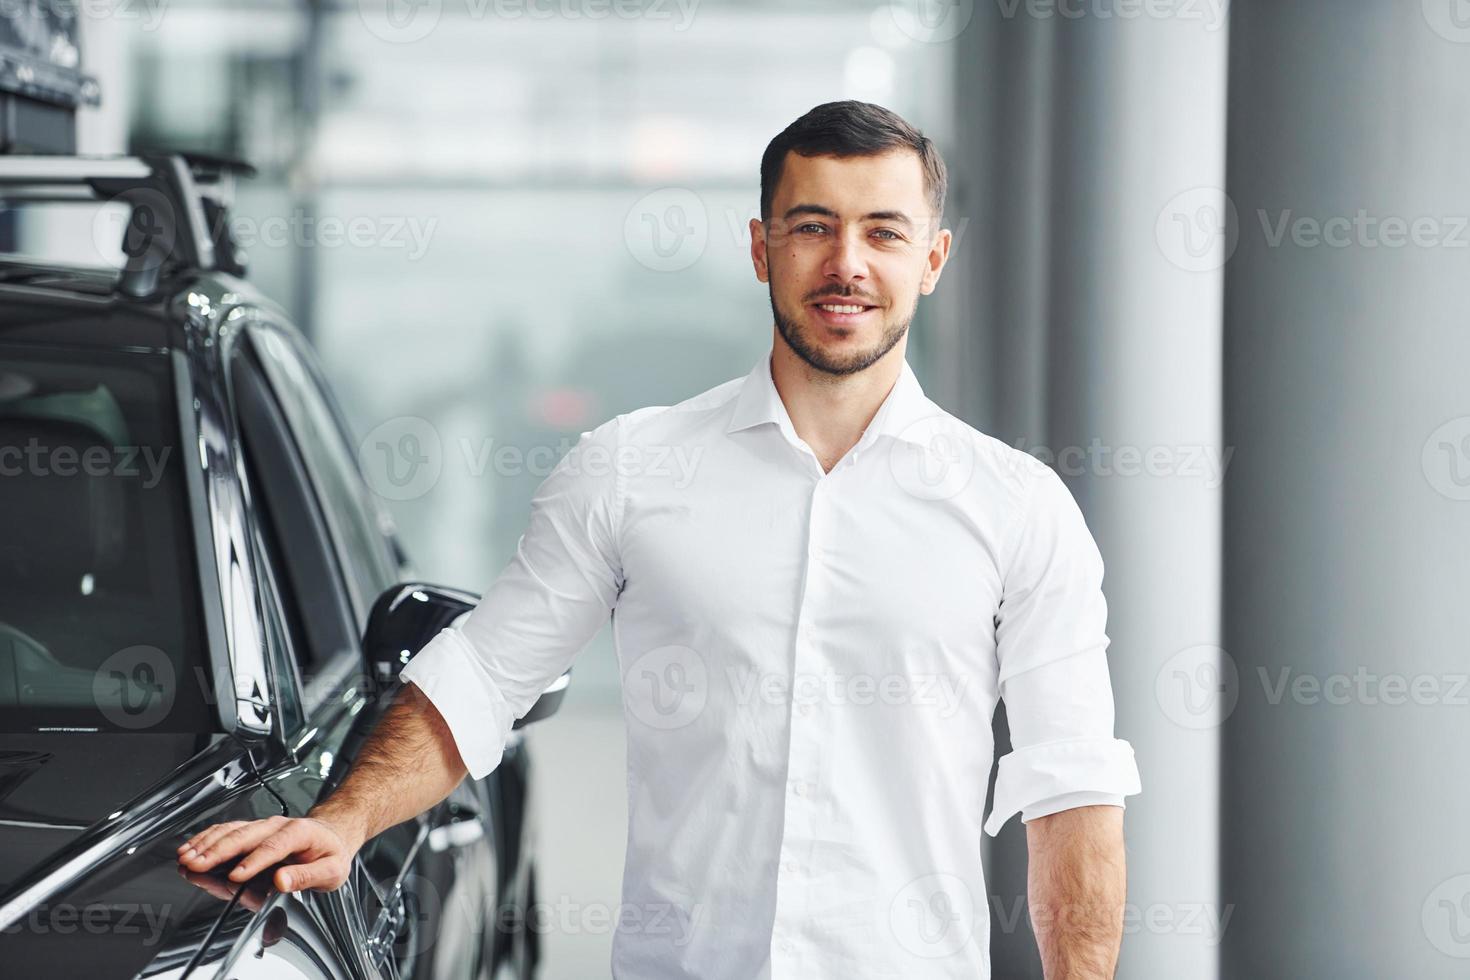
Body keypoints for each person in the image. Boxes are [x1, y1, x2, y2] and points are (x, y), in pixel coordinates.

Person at [180, 100, 1141, 979]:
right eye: (812, 227)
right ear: (762, 249)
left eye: (883, 232)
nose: (846, 262)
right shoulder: (631, 471)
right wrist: (344, 821)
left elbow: (1072, 790)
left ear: (930, 261)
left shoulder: (1019, 507)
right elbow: (485, 676)